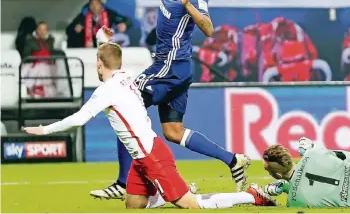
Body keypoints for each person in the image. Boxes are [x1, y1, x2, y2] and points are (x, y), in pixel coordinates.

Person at [22, 34, 276, 209]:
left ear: (99, 65)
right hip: (143, 155)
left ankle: (251, 196)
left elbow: (79, 119)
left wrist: (45, 129)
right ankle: (169, 189)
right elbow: (113, 55)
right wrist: (106, 40)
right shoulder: (125, 75)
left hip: (151, 155)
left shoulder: (107, 90)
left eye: (97, 64)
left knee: (190, 204)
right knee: (134, 204)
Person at [91, 0, 250, 200]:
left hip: (170, 66)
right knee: (173, 132)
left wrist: (187, 4)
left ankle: (122, 183)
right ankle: (233, 160)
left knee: (123, 105)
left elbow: (209, 29)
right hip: (178, 69)